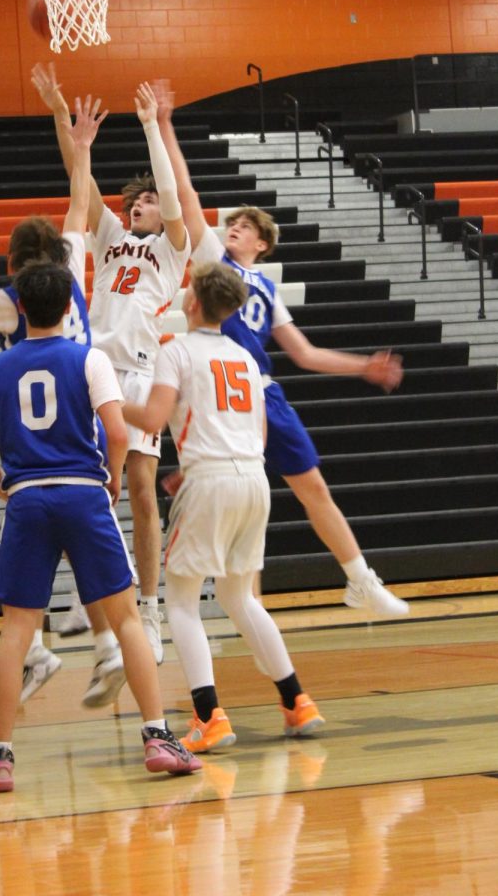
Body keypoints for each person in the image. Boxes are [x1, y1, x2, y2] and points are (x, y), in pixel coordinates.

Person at [154, 88, 409, 619]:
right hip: (221, 390)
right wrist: (164, 125)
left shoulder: (264, 290)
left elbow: (306, 354)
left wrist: (365, 366)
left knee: (310, 486)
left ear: (263, 244)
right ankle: (225, 610)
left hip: (261, 393)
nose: (232, 229)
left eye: (243, 227)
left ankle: (360, 580)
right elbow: (185, 189)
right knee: (242, 507)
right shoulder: (212, 263)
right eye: (231, 224)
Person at [0, 261, 202, 792]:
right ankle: (158, 737)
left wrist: (9, 486)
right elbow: (118, 433)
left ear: (19, 309)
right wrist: (112, 479)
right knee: (126, 621)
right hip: (83, 493)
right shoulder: (89, 358)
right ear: (71, 307)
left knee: (17, 631)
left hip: (28, 500)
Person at [0, 96, 127, 708]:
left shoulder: (10, 298)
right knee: (81, 543)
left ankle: (44, 651)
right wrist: (82, 140)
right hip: (86, 412)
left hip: (35, 432)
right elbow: (77, 200)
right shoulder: (74, 263)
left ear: (12, 260)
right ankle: (103, 645)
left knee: (30, 552)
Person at [123, 262, 325, 747]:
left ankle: (209, 714)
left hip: (211, 481)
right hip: (252, 478)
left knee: (183, 602)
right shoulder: (245, 356)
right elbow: (254, 433)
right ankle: (297, 701)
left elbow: (151, 417)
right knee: (239, 597)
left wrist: (105, 400)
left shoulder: (178, 353)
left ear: (191, 301)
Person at [33, 64, 191, 663]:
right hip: (93, 368)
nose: (148, 203)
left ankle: (148, 611)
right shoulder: (110, 236)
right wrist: (61, 117)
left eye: (153, 199)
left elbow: (175, 195)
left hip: (143, 371)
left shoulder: (170, 252)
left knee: (143, 490)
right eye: (140, 199)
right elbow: (80, 178)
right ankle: (93, 596)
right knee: (93, 487)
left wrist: (151, 126)